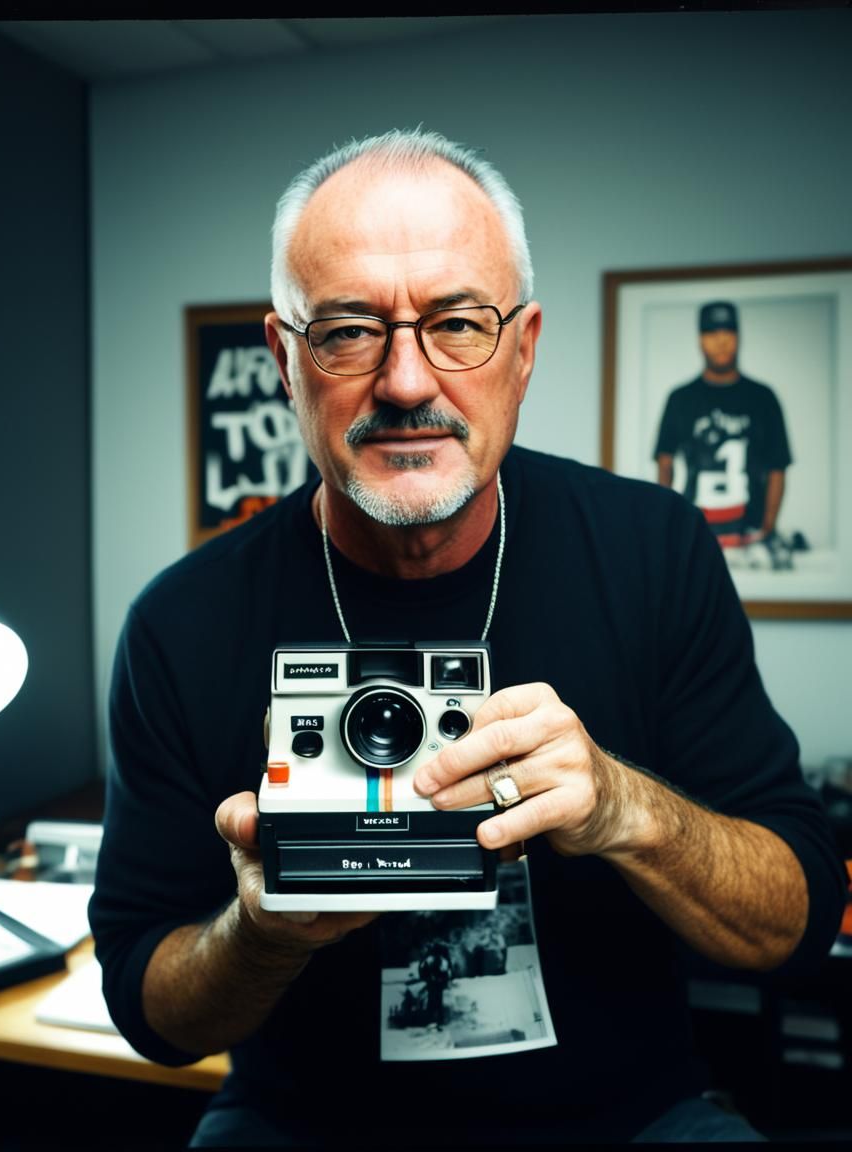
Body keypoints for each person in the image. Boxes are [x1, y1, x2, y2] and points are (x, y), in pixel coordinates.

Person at [90, 129, 846, 1147]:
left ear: (523, 348)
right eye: (349, 331)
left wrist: (622, 808)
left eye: (456, 323)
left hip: (622, 1118)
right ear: (282, 358)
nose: (406, 381)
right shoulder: (181, 622)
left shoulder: (650, 550)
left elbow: (793, 927)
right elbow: (150, 1012)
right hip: (307, 1122)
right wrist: (256, 937)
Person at [653, 301, 794, 567]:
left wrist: (767, 529)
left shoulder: (763, 398)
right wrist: (669, 527)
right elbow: (665, 464)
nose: (721, 342)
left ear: (738, 336)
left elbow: (778, 466)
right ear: (700, 340)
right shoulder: (681, 399)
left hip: (749, 534)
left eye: (727, 332)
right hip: (694, 533)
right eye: (711, 333)